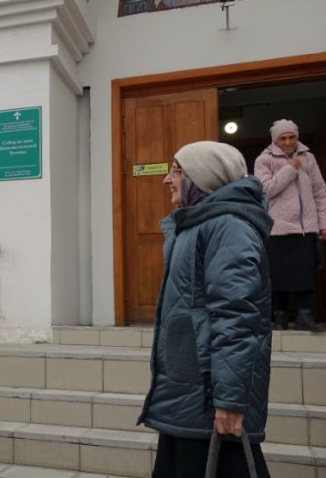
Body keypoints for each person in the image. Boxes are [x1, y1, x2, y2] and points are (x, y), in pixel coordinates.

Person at [138, 141, 272, 477]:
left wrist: (230, 400)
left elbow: (237, 317)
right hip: (188, 392)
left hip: (209, 400)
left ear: (202, 177)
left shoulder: (229, 226)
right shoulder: (197, 223)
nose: (167, 180)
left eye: (176, 171)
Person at [254, 119, 326, 332]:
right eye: (283, 138)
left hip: (306, 228)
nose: (288, 142)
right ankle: (279, 317)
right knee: (278, 273)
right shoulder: (264, 160)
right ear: (275, 140)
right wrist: (289, 169)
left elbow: (319, 192)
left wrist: (324, 224)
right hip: (277, 227)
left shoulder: (308, 158)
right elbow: (265, 191)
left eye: (292, 137)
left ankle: (305, 316)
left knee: (305, 272)